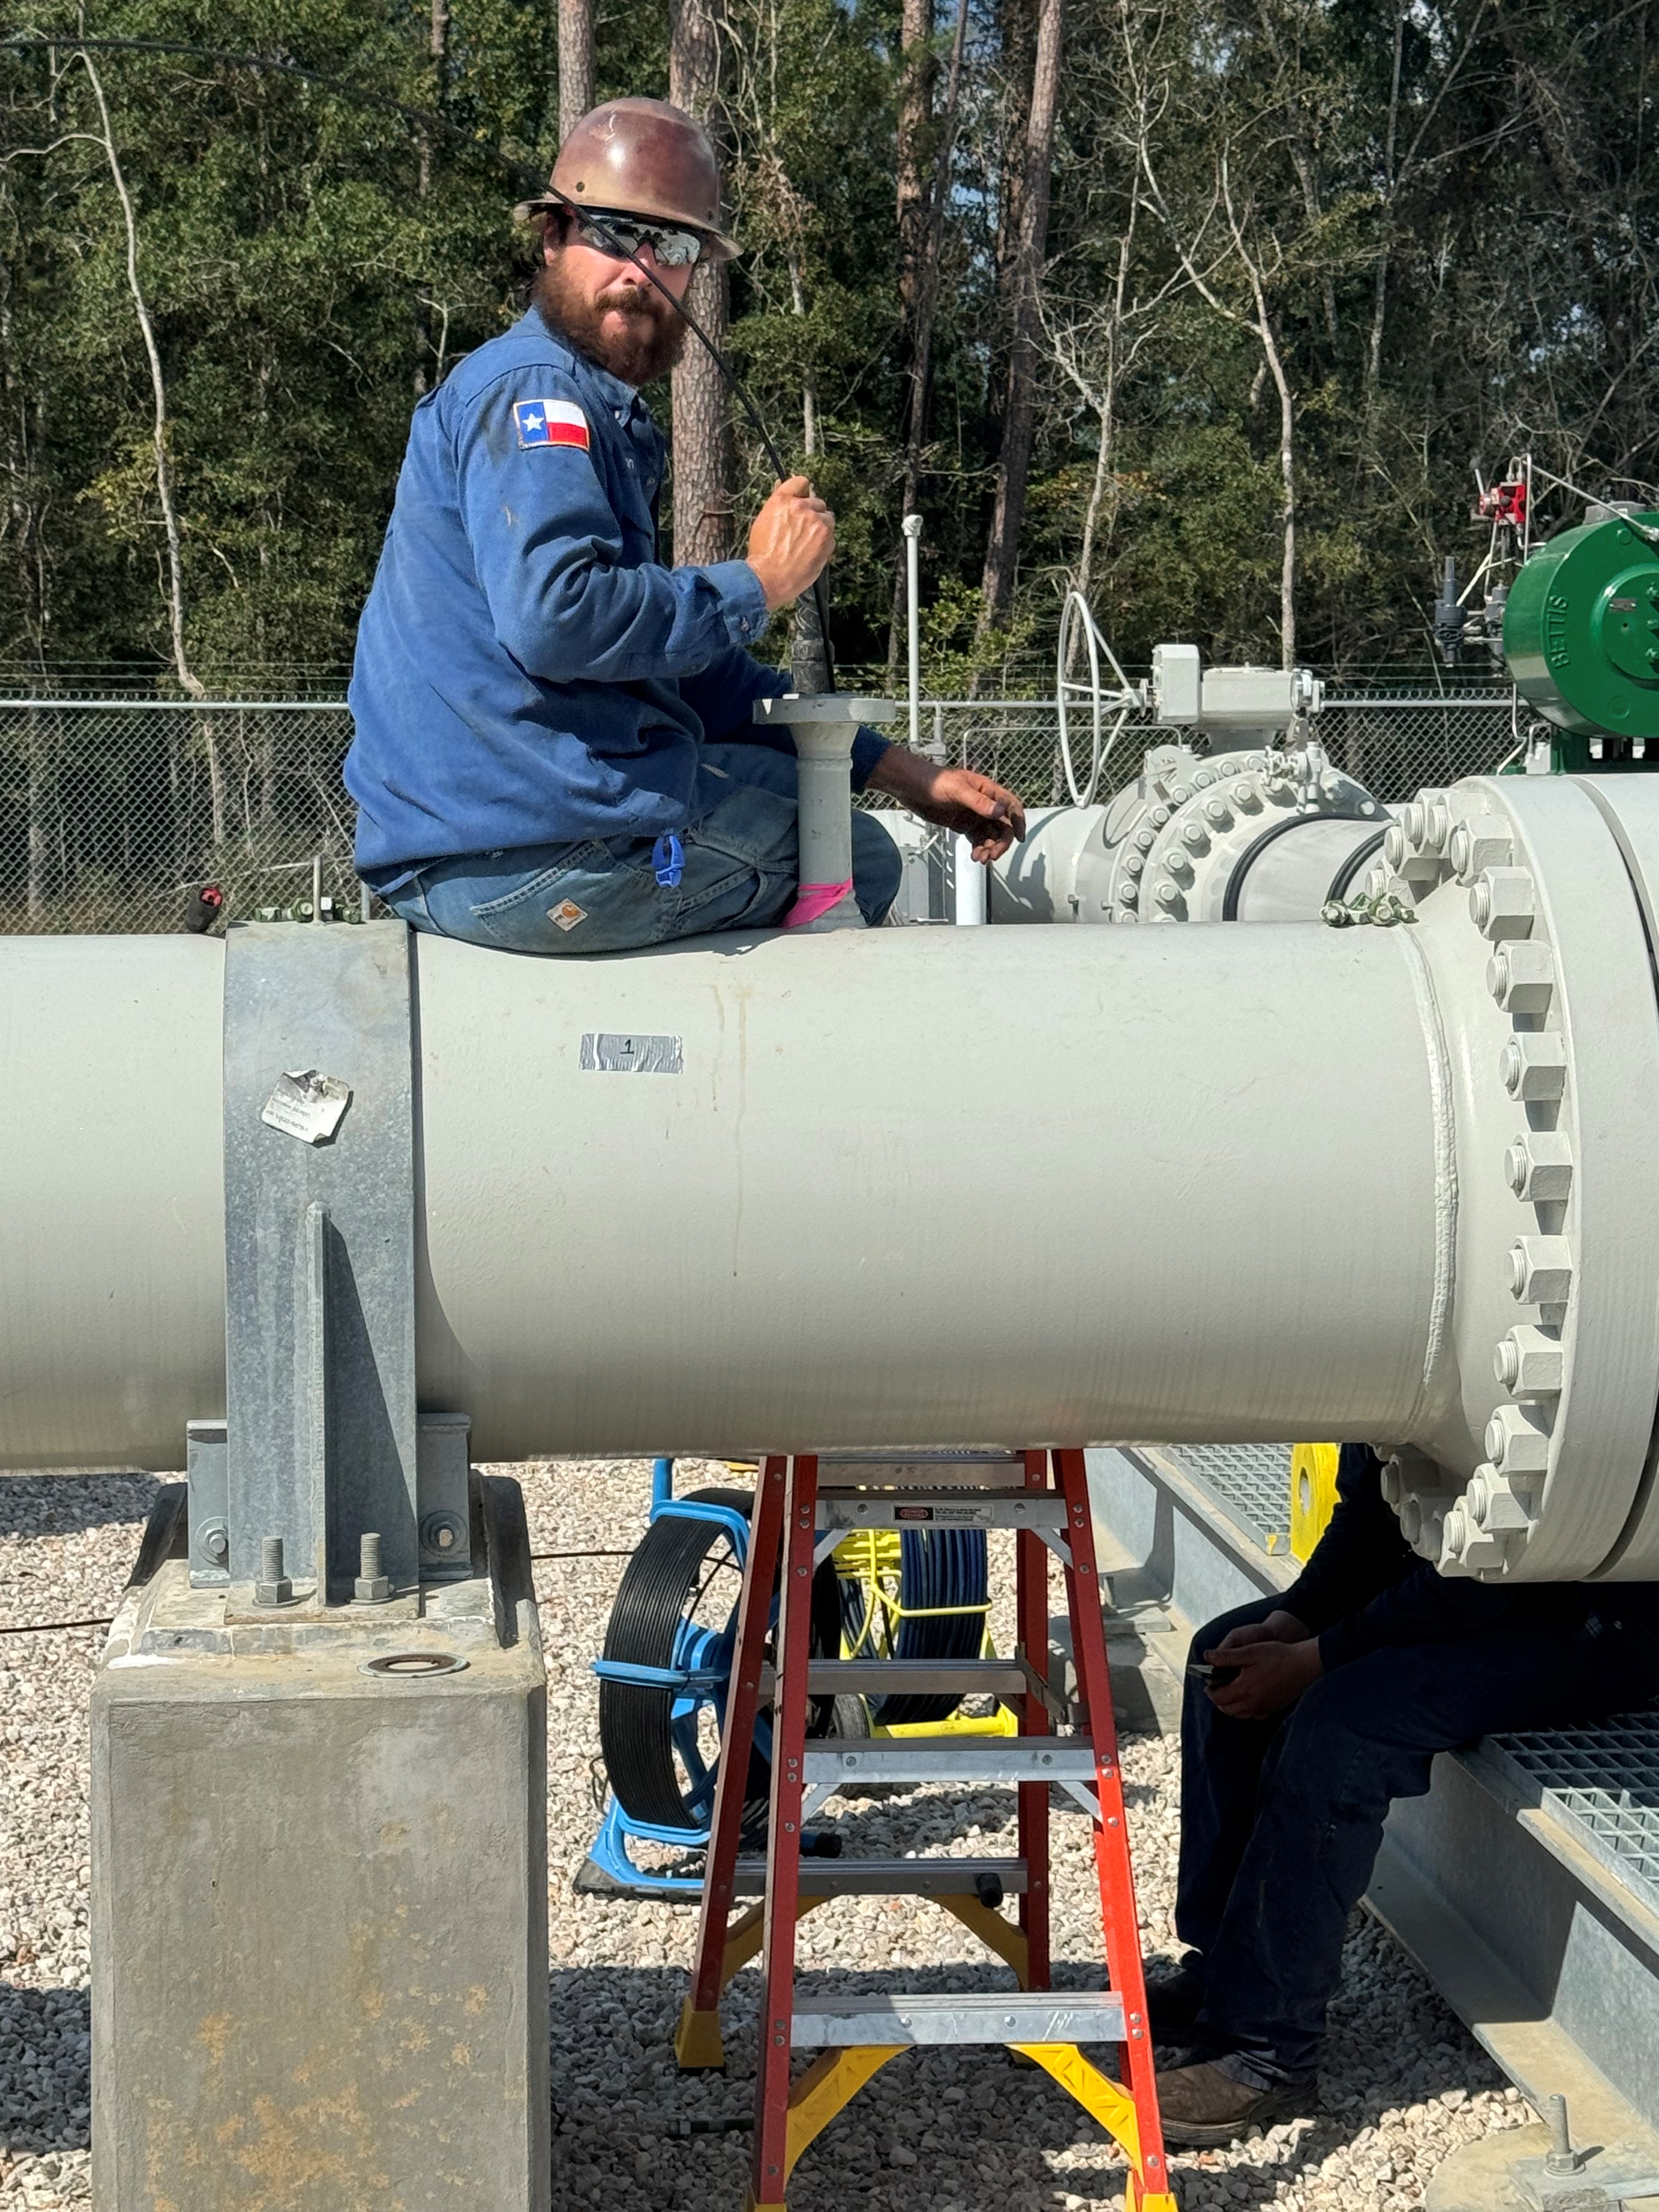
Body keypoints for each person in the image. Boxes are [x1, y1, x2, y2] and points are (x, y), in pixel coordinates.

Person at [346, 97, 1024, 953]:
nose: (639, 266)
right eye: (611, 233)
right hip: (530, 851)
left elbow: (682, 674)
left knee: (793, 787)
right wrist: (762, 583)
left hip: (511, 830)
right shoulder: (539, 396)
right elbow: (560, 619)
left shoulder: (599, 412)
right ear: (552, 237)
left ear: (695, 270)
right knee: (853, 856)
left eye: (669, 245)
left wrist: (907, 775)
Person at [1151, 1443, 1659, 2147]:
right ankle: (1226, 1972)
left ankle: (1264, 2049)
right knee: (1224, 1657)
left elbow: (1485, 1578)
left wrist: (1317, 1659)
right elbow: (1370, 1508)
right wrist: (1295, 1621)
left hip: (1592, 1611)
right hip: (1476, 1576)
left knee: (1347, 1720)